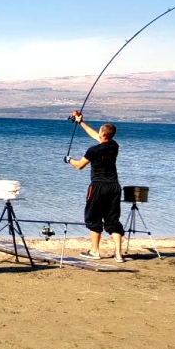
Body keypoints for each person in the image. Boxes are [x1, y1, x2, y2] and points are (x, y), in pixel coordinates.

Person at [65, 112, 124, 262]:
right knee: (113, 219)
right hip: (114, 187)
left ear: (103, 133)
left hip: (98, 187)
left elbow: (79, 166)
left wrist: (69, 160)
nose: (98, 133)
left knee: (93, 218)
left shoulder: (94, 150)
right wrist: (80, 122)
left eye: (100, 131)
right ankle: (118, 254)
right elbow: (94, 135)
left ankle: (95, 251)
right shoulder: (114, 146)